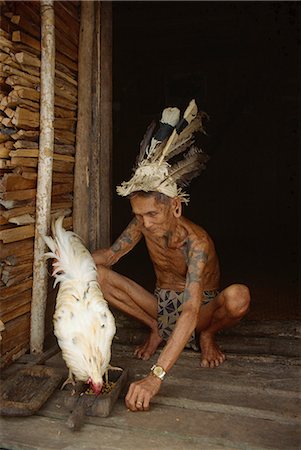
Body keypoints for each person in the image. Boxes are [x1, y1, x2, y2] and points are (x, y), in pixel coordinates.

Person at [93, 99, 250, 412]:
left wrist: (156, 376)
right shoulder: (142, 224)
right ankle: (156, 328)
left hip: (200, 313)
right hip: (160, 306)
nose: (145, 224)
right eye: (139, 215)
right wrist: (67, 259)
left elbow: (191, 309)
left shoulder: (197, 243)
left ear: (175, 207)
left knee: (238, 297)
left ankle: (207, 336)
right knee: (95, 275)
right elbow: (110, 257)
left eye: (152, 214)